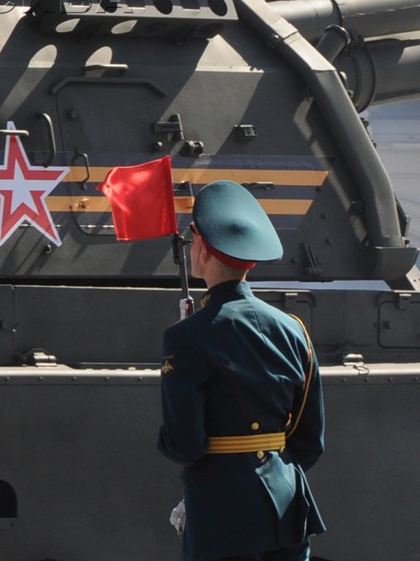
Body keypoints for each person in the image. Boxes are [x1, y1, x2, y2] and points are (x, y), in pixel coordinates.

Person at [159, 181, 326, 561]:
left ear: (201, 248)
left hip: (219, 512)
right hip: (286, 505)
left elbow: (185, 443)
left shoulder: (186, 337)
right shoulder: (293, 329)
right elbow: (309, 441)